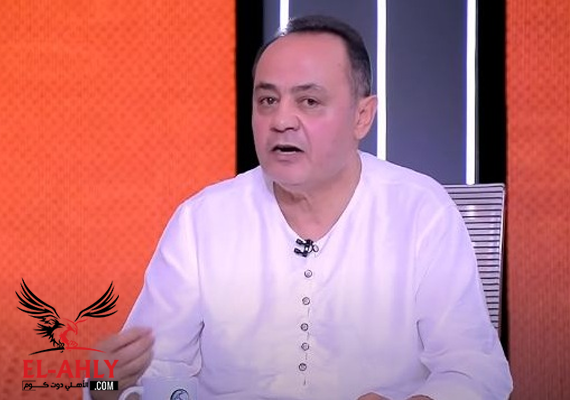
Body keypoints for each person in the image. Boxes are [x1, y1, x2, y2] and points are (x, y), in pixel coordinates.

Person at [88, 15, 512, 400]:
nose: (281, 121)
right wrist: (104, 387)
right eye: (267, 101)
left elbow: (477, 370)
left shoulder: (422, 211)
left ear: (362, 116)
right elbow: (144, 376)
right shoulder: (201, 221)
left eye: (309, 101)